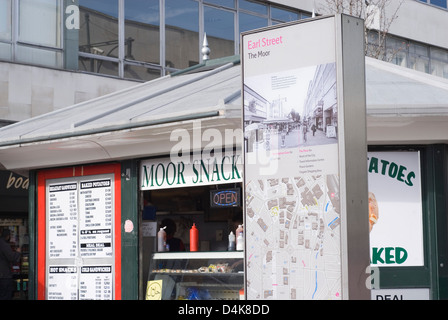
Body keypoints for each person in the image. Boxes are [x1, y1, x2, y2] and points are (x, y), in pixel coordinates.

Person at [0, 229, 21, 300]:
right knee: (6, 296)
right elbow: (11, 257)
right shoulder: (4, 244)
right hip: (4, 276)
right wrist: (18, 252)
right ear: (8, 236)